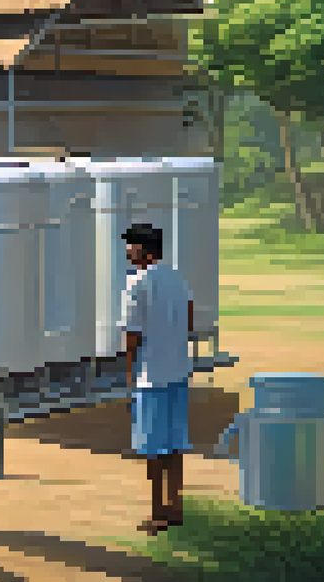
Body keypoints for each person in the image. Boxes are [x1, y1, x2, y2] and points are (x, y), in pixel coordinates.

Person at [120, 222, 195, 535]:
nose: (127, 251)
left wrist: (129, 375)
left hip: (151, 377)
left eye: (131, 245)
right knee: (175, 446)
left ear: (143, 249)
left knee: (153, 450)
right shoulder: (176, 278)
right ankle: (175, 507)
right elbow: (189, 316)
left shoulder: (136, 283)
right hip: (178, 372)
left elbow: (132, 335)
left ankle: (157, 513)